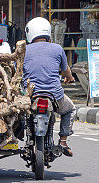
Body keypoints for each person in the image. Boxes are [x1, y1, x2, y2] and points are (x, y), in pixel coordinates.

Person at [22, 16, 77, 157]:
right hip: (54, 95)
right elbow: (66, 70)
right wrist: (70, 78)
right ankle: (63, 141)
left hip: (30, 95)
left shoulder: (24, 51)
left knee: (19, 113)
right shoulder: (57, 49)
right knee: (70, 109)